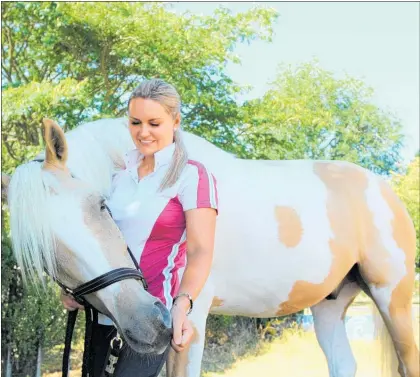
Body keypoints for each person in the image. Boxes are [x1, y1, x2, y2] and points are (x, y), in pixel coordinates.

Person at [61, 78, 218, 376]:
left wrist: (183, 306)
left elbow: (200, 252)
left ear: (175, 121)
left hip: (151, 318)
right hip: (103, 316)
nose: (143, 132)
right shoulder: (118, 175)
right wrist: (76, 290)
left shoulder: (192, 176)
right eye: (135, 122)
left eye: (154, 123)